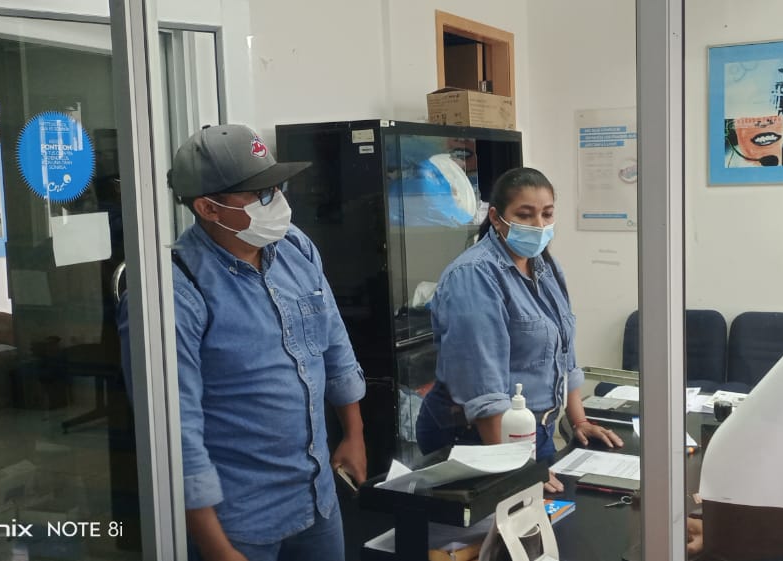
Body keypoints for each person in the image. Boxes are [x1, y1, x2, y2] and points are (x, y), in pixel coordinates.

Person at [167, 124, 368, 561]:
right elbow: (177, 429)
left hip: (316, 498)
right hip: (239, 518)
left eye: (277, 187)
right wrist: (216, 546)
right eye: (259, 194)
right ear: (208, 208)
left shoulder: (295, 247)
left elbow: (334, 344)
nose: (276, 201)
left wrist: (354, 433)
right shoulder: (179, 289)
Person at [415, 167, 623, 492]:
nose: (539, 225)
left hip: (532, 431)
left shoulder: (545, 265)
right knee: (509, 520)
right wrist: (514, 471)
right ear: (496, 218)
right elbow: (482, 388)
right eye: (525, 215)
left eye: (547, 214)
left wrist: (579, 420)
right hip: (479, 437)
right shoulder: (474, 276)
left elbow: (564, 352)